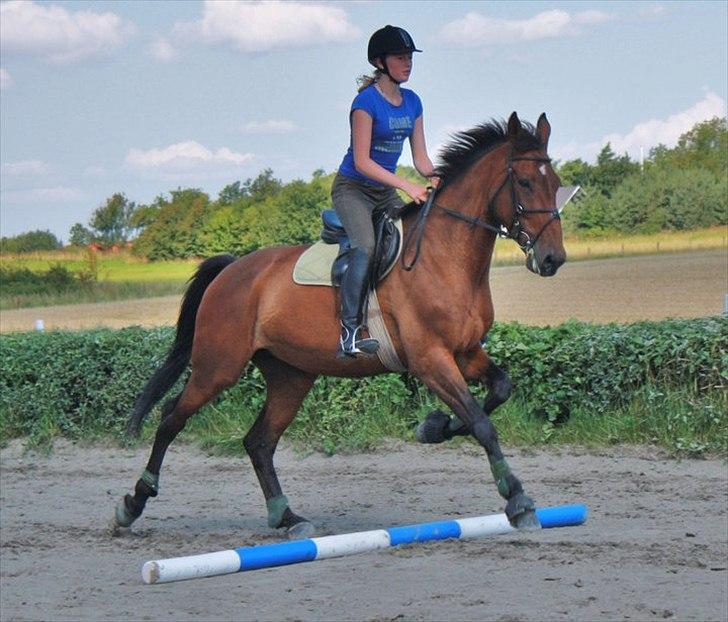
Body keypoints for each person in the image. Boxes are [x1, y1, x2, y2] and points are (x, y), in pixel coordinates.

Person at [333, 25, 440, 358]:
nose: (407, 63)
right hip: (353, 190)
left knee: (419, 236)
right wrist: (406, 185)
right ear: (380, 62)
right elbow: (363, 162)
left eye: (409, 57)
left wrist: (437, 176)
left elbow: (421, 158)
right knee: (365, 245)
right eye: (400, 57)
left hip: (384, 192)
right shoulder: (365, 103)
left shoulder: (413, 102)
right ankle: (349, 331)